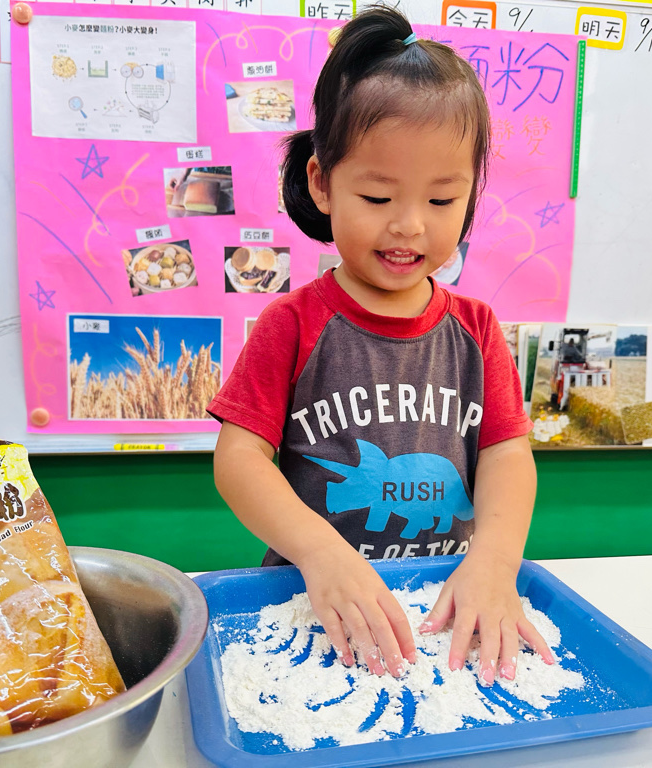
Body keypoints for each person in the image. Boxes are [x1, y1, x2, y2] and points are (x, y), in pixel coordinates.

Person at [208, 6, 555, 686]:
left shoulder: (477, 329)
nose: (409, 225)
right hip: (318, 602)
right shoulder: (292, 324)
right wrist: (319, 552)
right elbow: (239, 459)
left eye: (442, 201)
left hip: (444, 600)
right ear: (322, 183)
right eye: (376, 196)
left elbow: (507, 455)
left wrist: (495, 560)